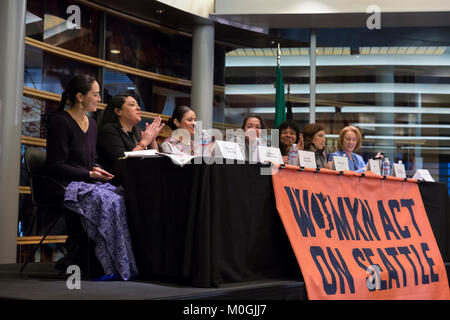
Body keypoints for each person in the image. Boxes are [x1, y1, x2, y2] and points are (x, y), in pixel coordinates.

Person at [44, 75, 138, 281]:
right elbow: (56, 166)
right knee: (107, 200)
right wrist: (89, 173)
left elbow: (91, 160)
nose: (98, 99)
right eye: (95, 95)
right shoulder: (61, 122)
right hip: (63, 185)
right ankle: (97, 264)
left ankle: (112, 263)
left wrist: (97, 169)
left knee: (119, 196)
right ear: (80, 96)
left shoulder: (92, 124)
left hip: (85, 181)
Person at [97, 94, 164, 176]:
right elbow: (123, 164)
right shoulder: (109, 131)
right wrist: (145, 142)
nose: (138, 108)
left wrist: (152, 139)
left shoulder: (137, 131)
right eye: (132, 105)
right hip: (116, 183)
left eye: (138, 105)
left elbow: (156, 161)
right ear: (118, 111)